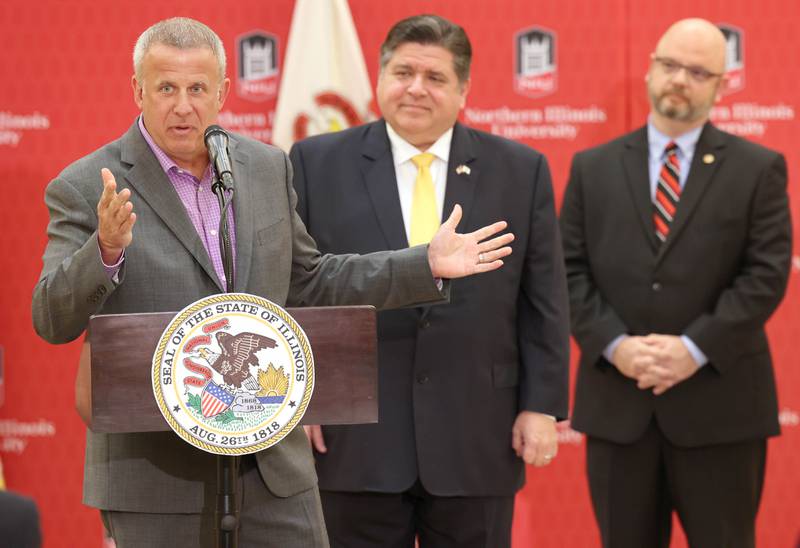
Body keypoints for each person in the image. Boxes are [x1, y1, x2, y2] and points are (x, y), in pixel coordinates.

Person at [31, 17, 514, 548]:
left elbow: (309, 280)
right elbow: (52, 319)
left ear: (223, 93)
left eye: (198, 89)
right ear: (138, 89)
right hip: (155, 478)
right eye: (166, 88)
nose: (183, 105)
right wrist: (102, 251)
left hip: (273, 472)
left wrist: (423, 265)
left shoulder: (263, 168)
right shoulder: (86, 184)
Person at [291, 14, 570, 548]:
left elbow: (544, 299)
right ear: (379, 79)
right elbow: (298, 287)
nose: (416, 88)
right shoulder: (315, 161)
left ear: (463, 89)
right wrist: (303, 399)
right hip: (354, 439)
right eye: (403, 72)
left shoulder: (520, 168)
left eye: (435, 77)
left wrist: (542, 405)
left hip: (479, 435)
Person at [560, 18, 791, 548]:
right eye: (669, 65)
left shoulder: (758, 169)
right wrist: (616, 347)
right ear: (649, 71)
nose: (679, 79)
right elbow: (566, 271)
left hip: (721, 409)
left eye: (697, 70)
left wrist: (694, 348)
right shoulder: (591, 168)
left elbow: (766, 274)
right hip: (619, 407)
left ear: (721, 83)